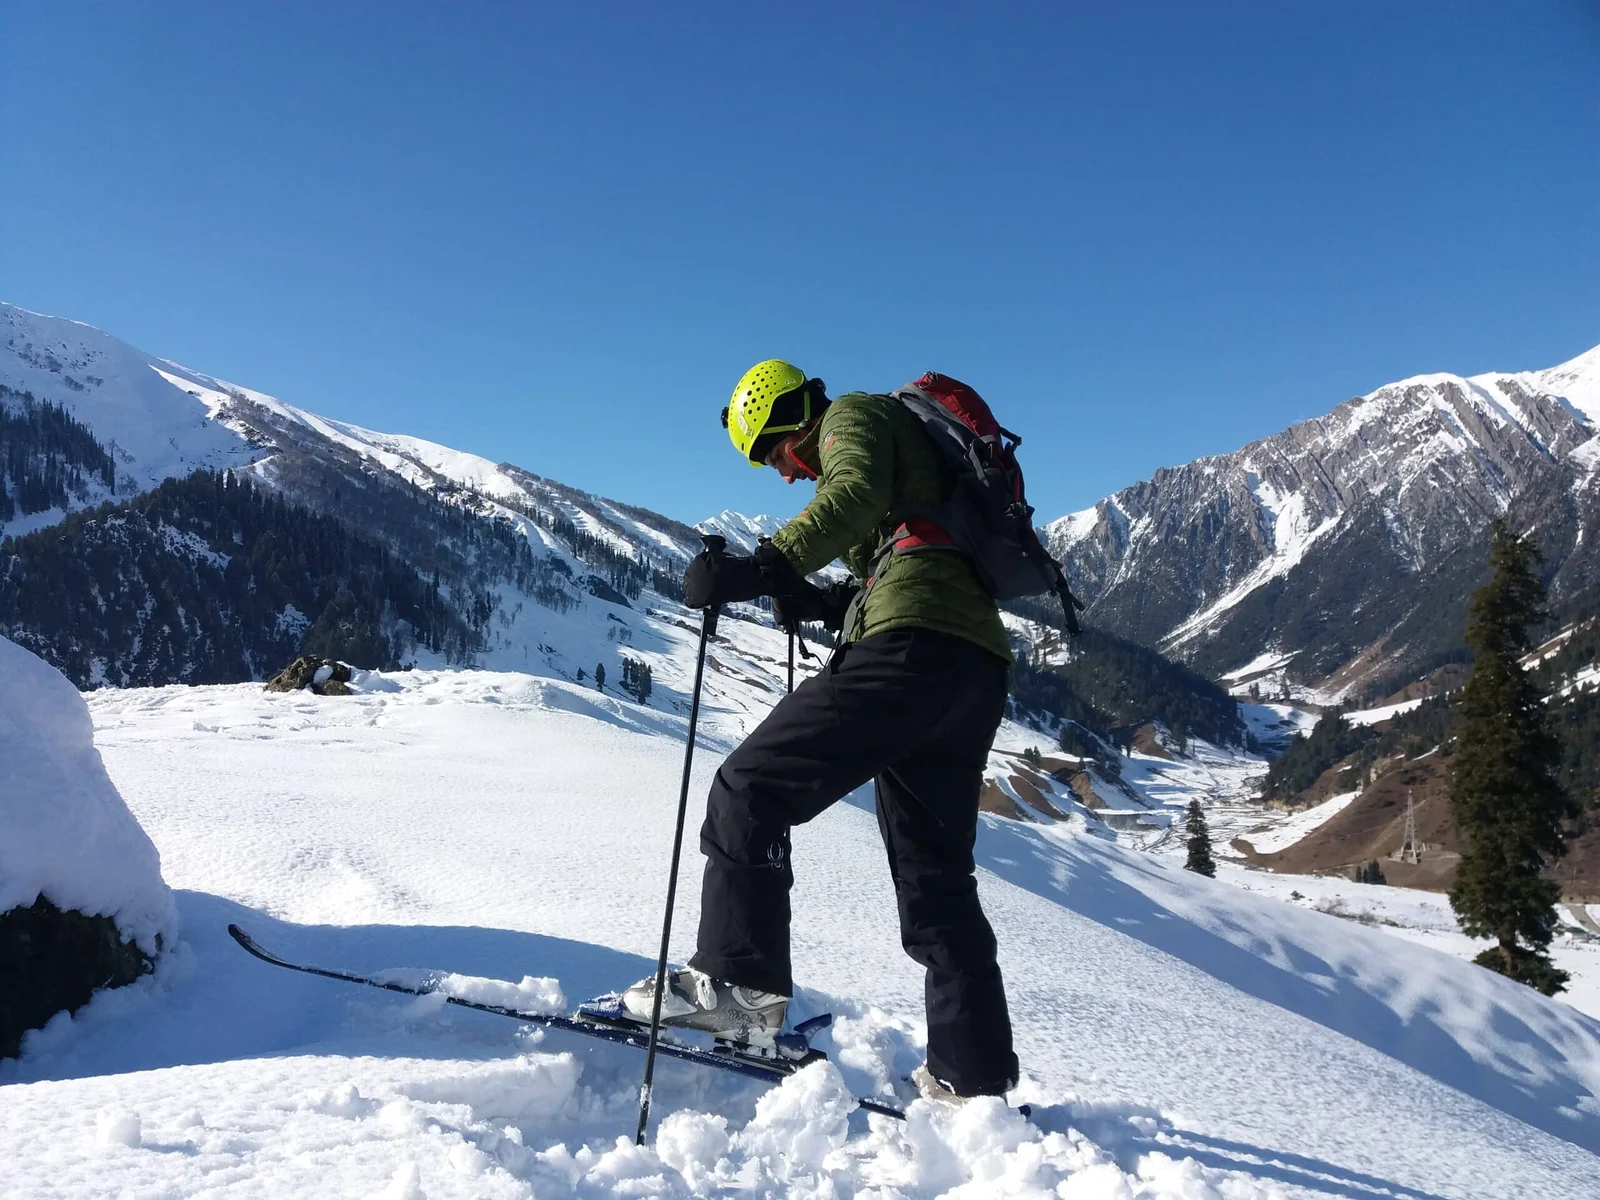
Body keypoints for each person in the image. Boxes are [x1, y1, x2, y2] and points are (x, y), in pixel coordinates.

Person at [619, 359, 1019, 1103]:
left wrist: (762, 568)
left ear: (788, 419)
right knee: (937, 880)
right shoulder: (909, 449)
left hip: (911, 649)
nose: (782, 476)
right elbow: (912, 547)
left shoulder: (852, 417)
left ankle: (737, 990)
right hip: (971, 665)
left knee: (749, 787)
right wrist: (829, 602)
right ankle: (973, 1076)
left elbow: (854, 490)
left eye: (772, 454)